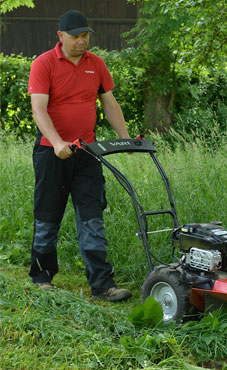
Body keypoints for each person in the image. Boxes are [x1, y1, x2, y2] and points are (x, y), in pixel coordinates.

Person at [27, 10, 132, 302]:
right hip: (52, 153)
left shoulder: (96, 64)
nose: (82, 41)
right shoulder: (44, 64)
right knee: (48, 216)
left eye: (85, 36)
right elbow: (39, 109)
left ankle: (102, 285)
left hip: (87, 153)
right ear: (61, 36)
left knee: (92, 219)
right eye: (76, 37)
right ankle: (42, 277)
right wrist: (58, 141)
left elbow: (109, 103)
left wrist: (125, 138)